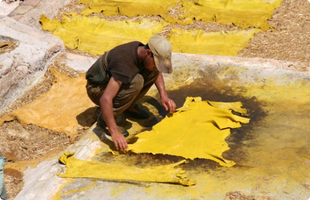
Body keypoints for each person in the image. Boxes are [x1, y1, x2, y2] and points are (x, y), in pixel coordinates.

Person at [85, 35, 176, 151]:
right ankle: (104, 119)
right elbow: (105, 99)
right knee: (137, 82)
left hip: (113, 83)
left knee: (152, 72)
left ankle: (129, 106)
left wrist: (164, 96)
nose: (156, 67)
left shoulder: (141, 52)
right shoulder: (124, 62)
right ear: (148, 53)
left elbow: (156, 72)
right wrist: (114, 132)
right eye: (156, 63)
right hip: (97, 88)